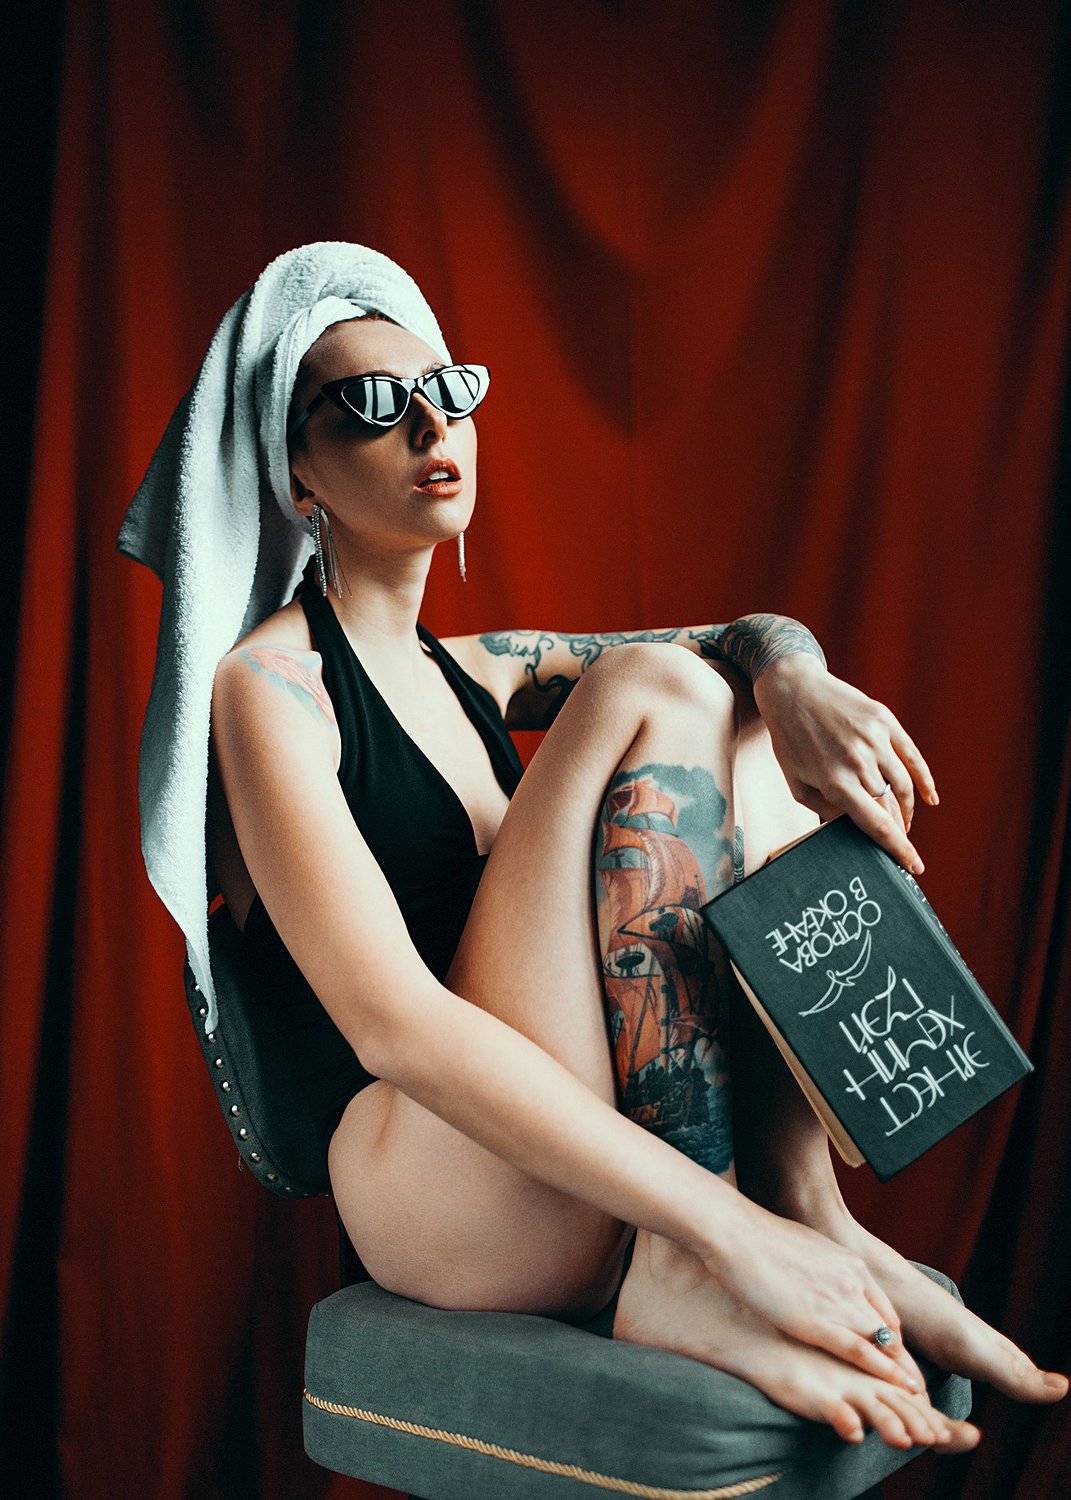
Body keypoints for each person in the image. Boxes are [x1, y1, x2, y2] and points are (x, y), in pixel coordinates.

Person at [177, 258, 1065, 1456]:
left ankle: (807, 1202)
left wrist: (795, 676)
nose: (432, 426)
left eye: (448, 390)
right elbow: (394, 1028)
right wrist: (718, 1229)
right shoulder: (273, 687)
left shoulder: (481, 672)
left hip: (573, 1155)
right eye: (374, 406)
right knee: (656, 688)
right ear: (296, 473)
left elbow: (739, 642)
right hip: (433, 1179)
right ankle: (692, 1252)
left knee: (741, 723)